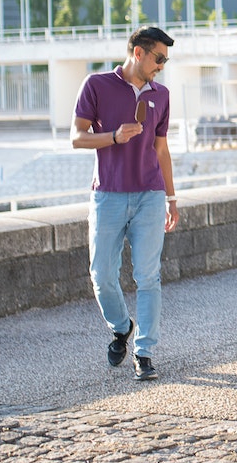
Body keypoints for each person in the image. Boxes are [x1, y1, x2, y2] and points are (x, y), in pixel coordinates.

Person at [71, 26, 179, 382]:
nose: (161, 66)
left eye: (165, 60)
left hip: (149, 194)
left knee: (148, 276)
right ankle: (121, 327)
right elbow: (77, 138)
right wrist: (114, 137)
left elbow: (161, 149)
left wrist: (171, 198)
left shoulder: (161, 95)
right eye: (158, 58)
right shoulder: (96, 85)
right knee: (101, 274)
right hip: (108, 195)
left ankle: (144, 353)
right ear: (138, 53)